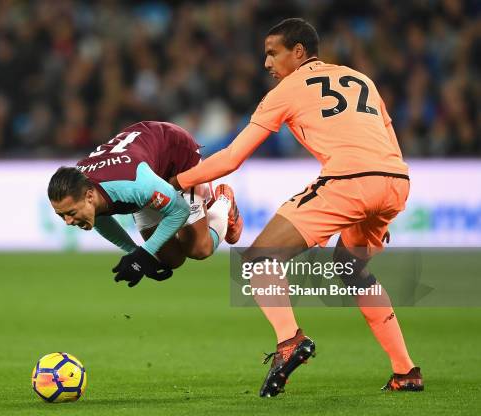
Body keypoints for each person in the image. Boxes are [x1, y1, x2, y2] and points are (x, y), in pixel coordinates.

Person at [170, 18, 423, 396]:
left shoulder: (288, 90)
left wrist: (178, 182)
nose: (266, 63)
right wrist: (381, 201)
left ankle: (289, 341)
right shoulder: (360, 79)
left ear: (298, 52)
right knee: (351, 270)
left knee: (258, 259)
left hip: (349, 181)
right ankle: (405, 372)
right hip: (394, 181)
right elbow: (388, 139)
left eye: (273, 53)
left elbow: (231, 158)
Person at [48, 121, 243, 288]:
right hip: (146, 167)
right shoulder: (84, 189)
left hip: (176, 157)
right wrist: (136, 254)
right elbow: (99, 217)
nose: (67, 221)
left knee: (199, 249)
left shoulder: (132, 186)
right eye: (61, 215)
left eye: (71, 212)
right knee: (171, 259)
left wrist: (145, 253)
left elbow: (178, 211)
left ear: (89, 196)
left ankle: (224, 201)